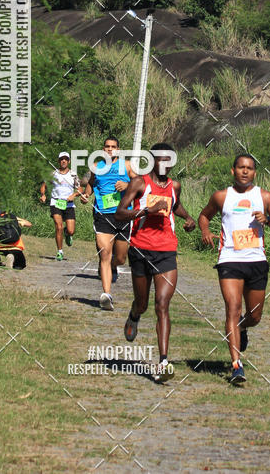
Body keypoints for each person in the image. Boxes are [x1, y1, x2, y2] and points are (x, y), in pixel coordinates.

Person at [198, 154, 270, 385]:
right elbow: (204, 216)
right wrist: (205, 232)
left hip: (256, 261)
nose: (245, 171)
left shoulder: (265, 197)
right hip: (229, 259)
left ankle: (241, 328)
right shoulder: (221, 196)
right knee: (233, 308)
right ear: (233, 171)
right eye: (241, 167)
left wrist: (267, 220)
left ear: (254, 173)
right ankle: (237, 365)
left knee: (255, 316)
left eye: (249, 168)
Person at [115, 143, 195, 383]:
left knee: (162, 304)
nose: (164, 164)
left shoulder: (175, 186)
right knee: (143, 303)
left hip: (166, 251)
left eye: (168, 160)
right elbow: (120, 213)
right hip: (140, 249)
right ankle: (134, 313)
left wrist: (188, 218)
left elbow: (175, 204)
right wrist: (145, 212)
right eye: (159, 160)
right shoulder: (139, 183)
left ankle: (162, 362)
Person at [84, 136, 132, 311]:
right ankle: (106, 295)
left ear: (118, 149)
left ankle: (113, 266)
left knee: (120, 258)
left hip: (122, 215)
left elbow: (140, 184)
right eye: (107, 146)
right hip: (102, 214)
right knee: (104, 253)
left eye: (113, 147)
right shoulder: (96, 167)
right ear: (103, 149)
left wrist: (127, 185)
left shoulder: (126, 165)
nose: (110, 149)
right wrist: (85, 195)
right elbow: (90, 184)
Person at [40, 151, 87, 261]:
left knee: (71, 231)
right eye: (61, 159)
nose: (63, 161)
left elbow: (80, 188)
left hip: (69, 204)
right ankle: (60, 251)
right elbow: (44, 185)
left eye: (66, 159)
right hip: (56, 202)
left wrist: (74, 195)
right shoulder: (53, 174)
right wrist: (42, 195)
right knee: (59, 226)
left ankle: (67, 234)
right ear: (59, 161)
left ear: (69, 161)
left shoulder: (73, 174)